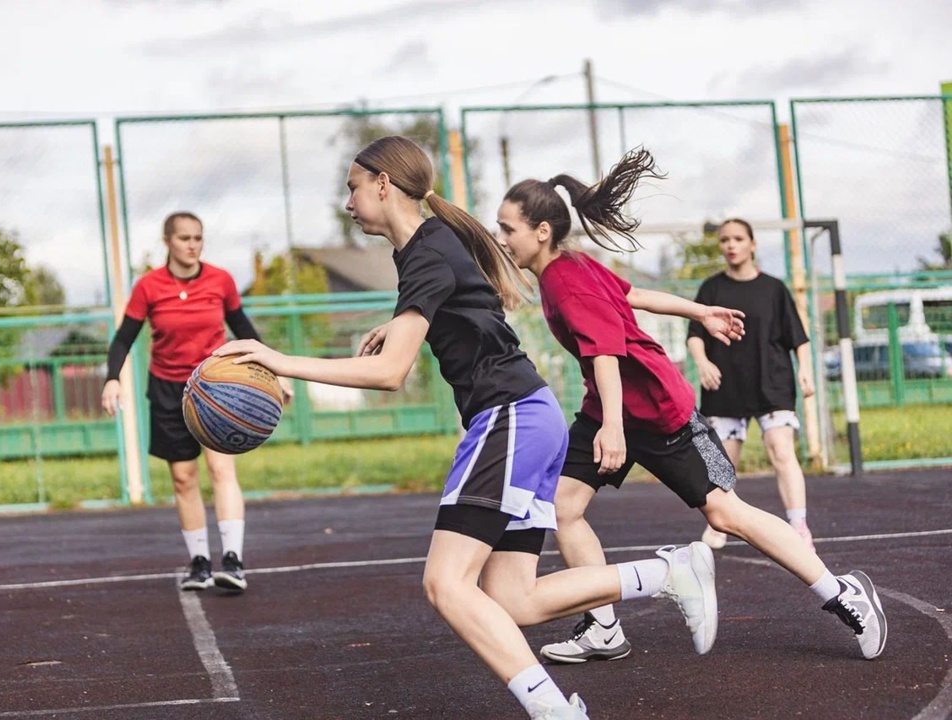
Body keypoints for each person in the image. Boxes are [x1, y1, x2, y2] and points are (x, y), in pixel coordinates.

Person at [215, 136, 718, 720]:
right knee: (514, 599)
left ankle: (556, 713)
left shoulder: (428, 250)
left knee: (446, 584)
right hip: (531, 417)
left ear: (383, 184)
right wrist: (402, 321)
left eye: (353, 187)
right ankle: (667, 572)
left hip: (509, 419)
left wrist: (276, 359)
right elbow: (459, 314)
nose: (348, 202)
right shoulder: (427, 247)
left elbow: (389, 373)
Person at [488, 148, 887, 666]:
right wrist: (702, 310)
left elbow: (606, 349)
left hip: (652, 409)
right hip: (612, 407)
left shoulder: (566, 279)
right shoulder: (570, 268)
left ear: (542, 231)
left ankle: (841, 592)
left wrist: (612, 426)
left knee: (725, 513)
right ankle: (603, 627)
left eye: (507, 228)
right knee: (565, 507)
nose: (501, 238)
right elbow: (637, 296)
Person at [101, 212, 292, 593]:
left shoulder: (220, 280)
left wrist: (278, 371)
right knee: (183, 477)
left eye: (198, 238)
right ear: (168, 241)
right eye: (184, 238)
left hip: (217, 390)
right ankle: (200, 563)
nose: (192, 244)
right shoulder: (149, 286)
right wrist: (112, 378)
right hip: (169, 390)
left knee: (222, 471)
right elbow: (124, 338)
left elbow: (244, 330)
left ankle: (233, 562)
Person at [687, 218, 817, 551]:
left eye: (738, 239)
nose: (731, 245)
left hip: (771, 382)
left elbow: (798, 338)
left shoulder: (774, 288)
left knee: (781, 452)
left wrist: (805, 370)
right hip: (726, 387)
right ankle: (720, 523)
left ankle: (798, 525)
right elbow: (695, 336)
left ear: (752, 244)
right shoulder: (711, 289)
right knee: (722, 462)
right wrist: (702, 363)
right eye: (725, 240)